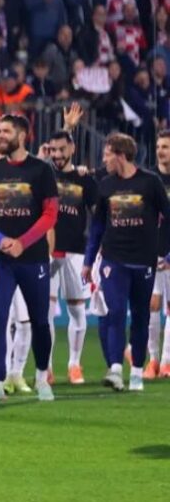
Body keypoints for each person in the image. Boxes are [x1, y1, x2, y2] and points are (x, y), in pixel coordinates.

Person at [0, 114, 59, 403]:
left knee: (39, 321)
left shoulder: (41, 170)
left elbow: (50, 214)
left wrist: (23, 242)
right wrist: (0, 241)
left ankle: (41, 378)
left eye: (6, 131)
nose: (0, 135)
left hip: (33, 258)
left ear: (22, 136)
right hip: (1, 260)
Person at [84, 133, 170, 392]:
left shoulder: (150, 183)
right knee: (116, 311)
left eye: (107, 155)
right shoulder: (106, 185)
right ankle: (115, 369)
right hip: (114, 260)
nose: (104, 160)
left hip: (144, 261)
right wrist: (89, 261)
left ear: (121, 155)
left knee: (141, 317)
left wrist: (166, 254)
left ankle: (136, 372)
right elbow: (97, 226)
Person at [47, 122, 96, 385]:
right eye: (53, 150)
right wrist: (65, 126)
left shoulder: (84, 179)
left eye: (61, 149)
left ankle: (74, 364)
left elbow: (98, 214)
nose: (57, 154)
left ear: (72, 149)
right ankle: (46, 367)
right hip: (47, 251)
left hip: (76, 251)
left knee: (77, 311)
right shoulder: (44, 175)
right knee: (46, 312)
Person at [152, 132, 170, 379]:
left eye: (165, 146)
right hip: (152, 254)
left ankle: (166, 361)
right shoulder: (150, 179)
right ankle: (153, 360)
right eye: (158, 146)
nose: (160, 151)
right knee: (152, 305)